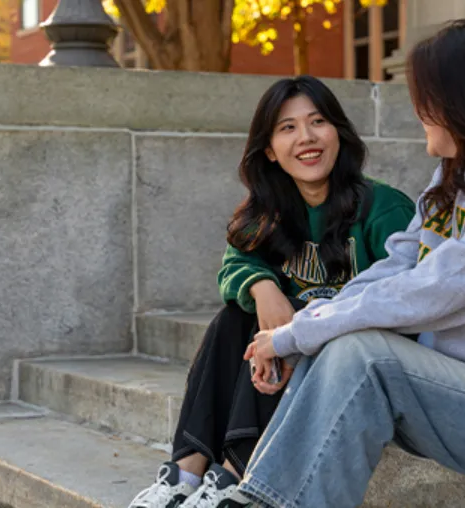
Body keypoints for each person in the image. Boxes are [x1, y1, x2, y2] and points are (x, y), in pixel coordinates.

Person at [237, 19, 465, 508]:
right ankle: (256, 496)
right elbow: (394, 268)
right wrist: (304, 330)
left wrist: (290, 335)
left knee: (364, 352)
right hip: (460, 396)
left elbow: (427, 292)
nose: (418, 110)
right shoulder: (456, 177)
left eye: (425, 96)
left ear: (464, 101)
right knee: (342, 339)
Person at [127, 76, 415, 508]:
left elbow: (402, 296)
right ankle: (184, 474)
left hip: (357, 359)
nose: (307, 138)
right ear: (269, 150)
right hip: (289, 353)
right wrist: (263, 288)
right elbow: (234, 267)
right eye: (288, 128)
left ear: (338, 132)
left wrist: (294, 325)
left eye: (318, 121)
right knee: (234, 318)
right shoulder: (266, 212)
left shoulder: (382, 206)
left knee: (282, 327)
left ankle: (235, 477)